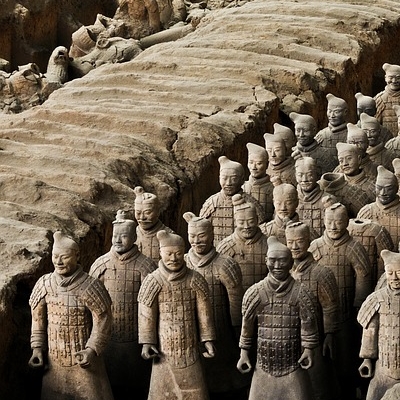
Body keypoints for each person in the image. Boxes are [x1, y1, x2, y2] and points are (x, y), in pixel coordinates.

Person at [28, 231, 114, 400]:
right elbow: (37, 320)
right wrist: (37, 349)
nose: (58, 262)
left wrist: (91, 349)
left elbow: (103, 320)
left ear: (77, 256)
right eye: (55, 256)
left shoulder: (90, 285)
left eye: (64, 257)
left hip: (84, 359)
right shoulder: (44, 284)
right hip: (54, 360)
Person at [236, 236, 319, 400]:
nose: (277, 265)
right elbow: (247, 326)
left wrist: (309, 349)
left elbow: (308, 323)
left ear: (291, 262)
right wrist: (243, 353)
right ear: (266, 261)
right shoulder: (255, 293)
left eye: (282, 260)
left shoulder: (301, 293)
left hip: (293, 364)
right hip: (263, 365)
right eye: (273, 260)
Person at [138, 230, 216, 400]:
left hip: (190, 349)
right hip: (163, 351)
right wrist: (147, 342)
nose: (174, 258)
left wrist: (208, 339)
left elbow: (204, 314)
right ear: (160, 253)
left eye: (178, 253)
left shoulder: (195, 279)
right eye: (169, 254)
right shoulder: (153, 281)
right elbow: (146, 315)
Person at [89, 210, 157, 397]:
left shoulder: (146, 266)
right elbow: (89, 306)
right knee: (109, 387)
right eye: (115, 236)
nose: (118, 240)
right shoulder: (101, 265)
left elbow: (154, 306)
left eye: (124, 236)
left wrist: (149, 339)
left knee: (137, 387)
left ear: (135, 238)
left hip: (136, 341)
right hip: (107, 340)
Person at [309, 202, 372, 400]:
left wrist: (358, 306)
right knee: (319, 363)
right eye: (329, 222)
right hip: (318, 315)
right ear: (323, 222)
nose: (333, 226)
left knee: (345, 362)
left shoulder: (354, 247)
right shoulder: (315, 246)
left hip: (345, 314)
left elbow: (363, 276)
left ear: (346, 222)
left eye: (338, 222)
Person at [183, 212, 248, 397]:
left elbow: (236, 306)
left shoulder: (225, 265)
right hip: (191, 332)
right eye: (192, 236)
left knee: (225, 385)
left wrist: (239, 335)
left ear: (212, 235)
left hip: (222, 332)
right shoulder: (183, 262)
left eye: (201, 236)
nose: (196, 241)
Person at [286, 222, 340, 400]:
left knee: (317, 386)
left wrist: (330, 334)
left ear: (309, 241)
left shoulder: (322, 273)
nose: (294, 247)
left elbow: (330, 307)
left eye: (300, 241)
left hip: (316, 338)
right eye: (290, 242)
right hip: (289, 338)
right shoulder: (282, 272)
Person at [358, 249, 400, 399]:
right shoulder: (377, 299)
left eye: (399, 273)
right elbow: (370, 330)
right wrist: (367, 359)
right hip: (384, 369)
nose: (394, 278)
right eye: (390, 273)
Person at [200, 155, 266, 245]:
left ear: (242, 180)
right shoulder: (211, 203)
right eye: (224, 178)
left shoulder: (251, 203)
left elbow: (261, 233)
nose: (228, 183)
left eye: (234, 179)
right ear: (219, 178)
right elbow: (200, 232)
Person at [217, 193, 269, 292]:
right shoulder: (225, 247)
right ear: (235, 221)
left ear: (257, 220)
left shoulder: (268, 245)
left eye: (251, 221)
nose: (246, 226)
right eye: (241, 222)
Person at [358, 166, 400, 247]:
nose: (383, 193)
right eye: (379, 188)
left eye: (388, 189)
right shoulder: (366, 212)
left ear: (396, 188)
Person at [134, 185, 174, 263]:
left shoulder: (169, 235)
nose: (142, 218)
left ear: (158, 212)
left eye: (147, 213)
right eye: (138, 213)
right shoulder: (131, 234)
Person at [295, 157, 334, 236]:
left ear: (317, 174)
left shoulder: (329, 200)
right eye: (300, 175)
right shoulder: (290, 198)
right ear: (295, 176)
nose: (304, 179)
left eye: (309, 175)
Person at [242, 142, 274, 221]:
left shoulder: (273, 189)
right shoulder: (242, 187)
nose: (254, 167)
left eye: (259, 163)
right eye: (251, 162)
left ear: (267, 164)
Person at [315, 93, 349, 163]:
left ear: (345, 112)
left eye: (336, 112)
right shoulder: (322, 134)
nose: (332, 116)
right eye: (330, 111)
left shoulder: (350, 134)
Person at [375, 63, 400, 137]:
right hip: (386, 139)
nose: (394, 81)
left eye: (398, 78)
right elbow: (375, 124)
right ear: (385, 78)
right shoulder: (380, 99)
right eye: (391, 77)